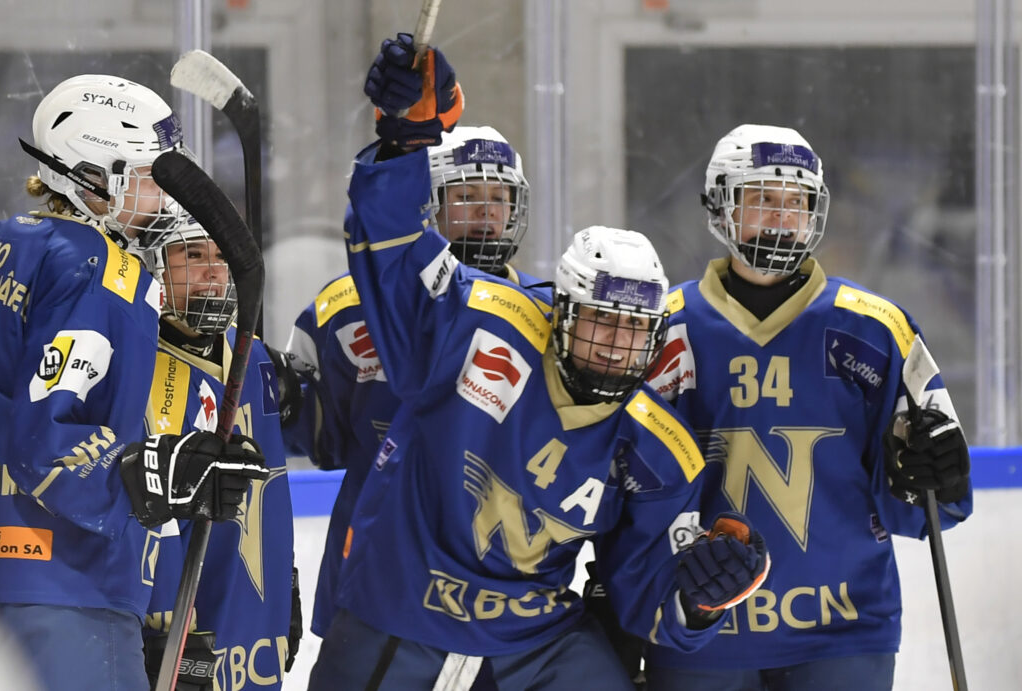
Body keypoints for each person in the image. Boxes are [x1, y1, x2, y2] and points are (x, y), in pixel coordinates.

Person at [306, 37, 771, 690]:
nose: (614, 344)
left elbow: (648, 598)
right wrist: (405, 141)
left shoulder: (658, 449)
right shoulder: (479, 323)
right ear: (563, 313)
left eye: (633, 329)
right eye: (600, 322)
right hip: (401, 613)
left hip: (535, 639)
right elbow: (392, 244)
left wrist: (699, 595)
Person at [642, 124, 973, 690]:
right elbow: (629, 484)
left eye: (796, 202)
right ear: (721, 205)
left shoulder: (876, 329)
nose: (781, 216)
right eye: (762, 199)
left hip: (843, 628)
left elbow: (933, 510)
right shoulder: (664, 329)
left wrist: (931, 477)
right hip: (703, 628)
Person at [274, 31, 548, 654]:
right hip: (375, 573)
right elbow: (314, 436)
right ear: (429, 205)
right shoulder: (348, 307)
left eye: (497, 198)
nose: (484, 212)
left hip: (494, 584)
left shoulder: (545, 316)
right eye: (465, 196)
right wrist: (282, 394)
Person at [0, 74, 268, 691]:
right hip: (65, 584)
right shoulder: (103, 268)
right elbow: (50, 446)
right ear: (95, 179)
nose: (168, 202)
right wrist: (151, 474)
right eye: (149, 179)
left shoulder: (14, 243)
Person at [138, 223, 298, 691]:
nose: (213, 272)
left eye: (221, 256)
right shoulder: (136, 356)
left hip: (252, 611)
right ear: (153, 265)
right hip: (177, 618)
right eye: (191, 256)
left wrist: (285, 580)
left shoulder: (255, 357)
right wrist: (156, 615)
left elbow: (273, 486)